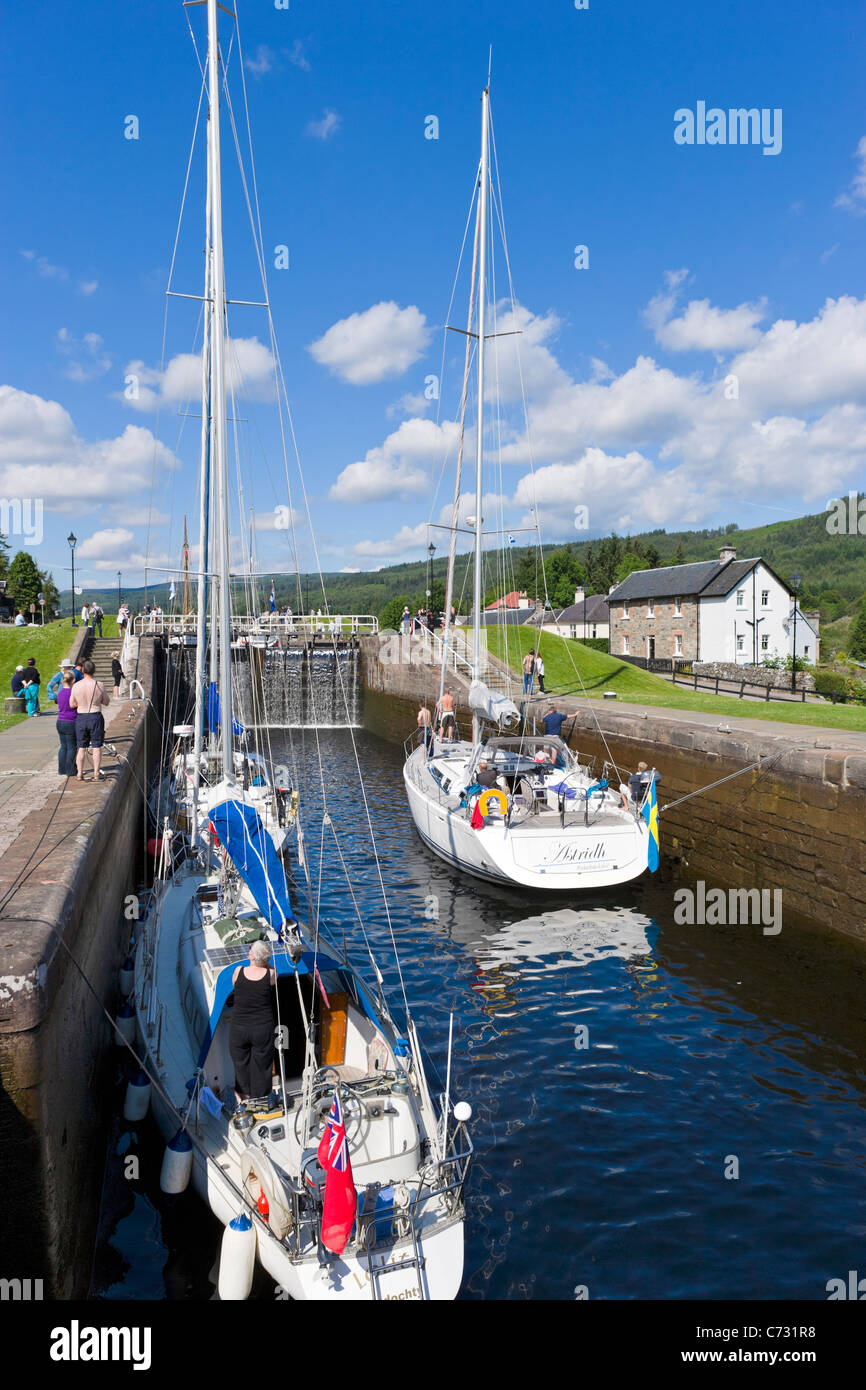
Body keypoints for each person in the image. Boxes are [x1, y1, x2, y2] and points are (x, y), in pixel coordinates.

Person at [229, 940, 277, 1102]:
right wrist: (265, 963)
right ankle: (260, 1098)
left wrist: (256, 961)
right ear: (265, 960)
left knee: (241, 1063)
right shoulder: (270, 975)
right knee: (262, 1065)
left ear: (251, 955)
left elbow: (235, 985)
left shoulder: (238, 971)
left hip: (239, 1029)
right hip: (262, 1029)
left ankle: (244, 1097)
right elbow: (273, 972)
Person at [70, 658, 111, 782]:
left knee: (81, 747)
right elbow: (107, 702)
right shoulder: (99, 685)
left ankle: (79, 773)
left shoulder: (76, 685)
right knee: (96, 746)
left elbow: (72, 704)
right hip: (95, 716)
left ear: (82, 671)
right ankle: (96, 773)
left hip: (81, 717)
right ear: (94, 671)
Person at [56, 671, 78, 776]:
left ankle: (61, 769)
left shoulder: (60, 693)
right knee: (71, 747)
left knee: (63, 746)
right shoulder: (72, 693)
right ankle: (70, 770)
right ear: (73, 681)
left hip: (60, 721)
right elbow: (75, 706)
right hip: (70, 721)